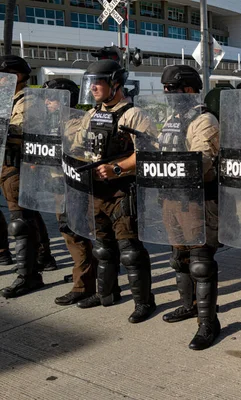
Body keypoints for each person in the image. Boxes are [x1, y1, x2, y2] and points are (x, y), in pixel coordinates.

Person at [73, 60, 156, 323]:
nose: (94, 87)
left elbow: (149, 154)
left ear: (116, 84)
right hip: (95, 191)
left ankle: (144, 302)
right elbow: (78, 146)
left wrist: (117, 169)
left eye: (99, 82)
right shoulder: (91, 114)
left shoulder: (134, 115)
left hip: (123, 191)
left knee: (130, 250)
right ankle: (106, 293)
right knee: (103, 248)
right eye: (91, 83)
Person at [157, 65, 222, 350]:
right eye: (165, 91)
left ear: (188, 90)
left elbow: (203, 161)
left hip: (197, 198)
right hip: (171, 196)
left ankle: (209, 323)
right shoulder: (172, 119)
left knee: (201, 263)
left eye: (172, 90)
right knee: (178, 258)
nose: (168, 96)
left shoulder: (203, 120)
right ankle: (188, 305)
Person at [0, 55, 57, 299]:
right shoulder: (8, 100)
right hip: (7, 163)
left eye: (3, 76)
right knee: (29, 214)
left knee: (20, 220)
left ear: (17, 76)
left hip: (19, 164)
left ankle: (29, 275)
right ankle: (44, 257)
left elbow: (21, 129)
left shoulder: (28, 101)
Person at [39, 78, 98, 306]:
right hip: (58, 184)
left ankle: (83, 285)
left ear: (67, 99)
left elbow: (74, 147)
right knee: (67, 231)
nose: (48, 102)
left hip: (74, 186)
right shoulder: (52, 121)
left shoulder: (77, 122)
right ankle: (82, 270)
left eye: (53, 98)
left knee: (75, 232)